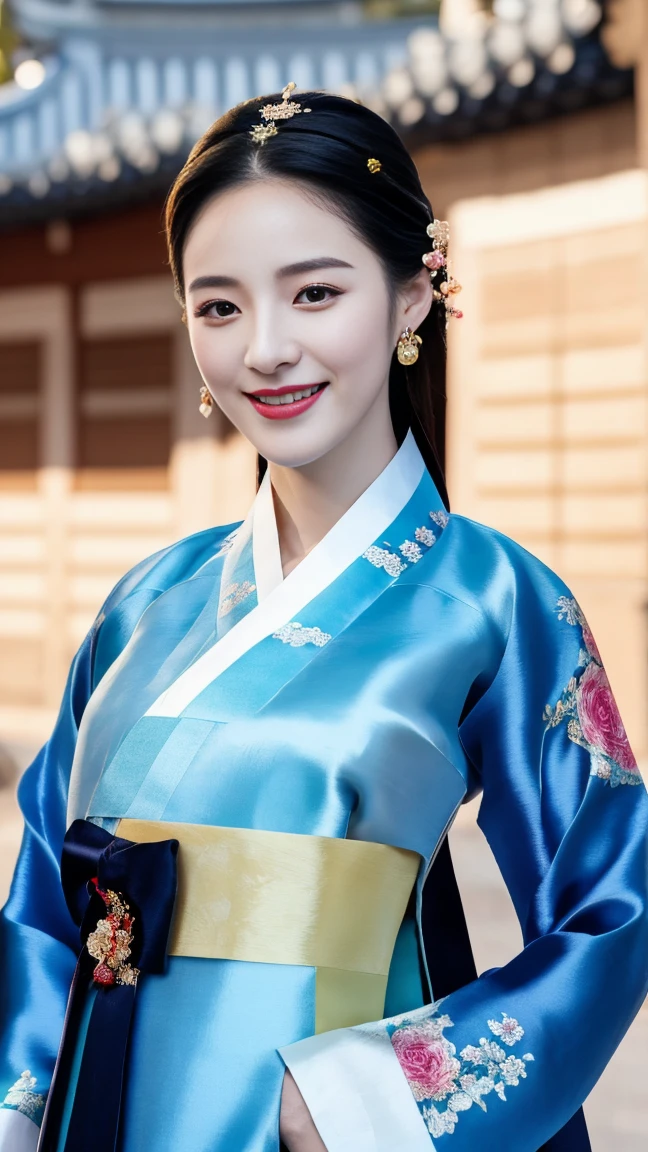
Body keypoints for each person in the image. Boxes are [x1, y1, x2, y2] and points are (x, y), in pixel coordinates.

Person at [0, 85, 646, 1152]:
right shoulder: (144, 604)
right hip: (101, 1105)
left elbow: (613, 910)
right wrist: (22, 1100)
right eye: (220, 306)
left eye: (313, 294)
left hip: (320, 1120)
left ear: (412, 295)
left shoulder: (495, 598)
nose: (264, 350)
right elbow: (37, 897)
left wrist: (372, 1097)